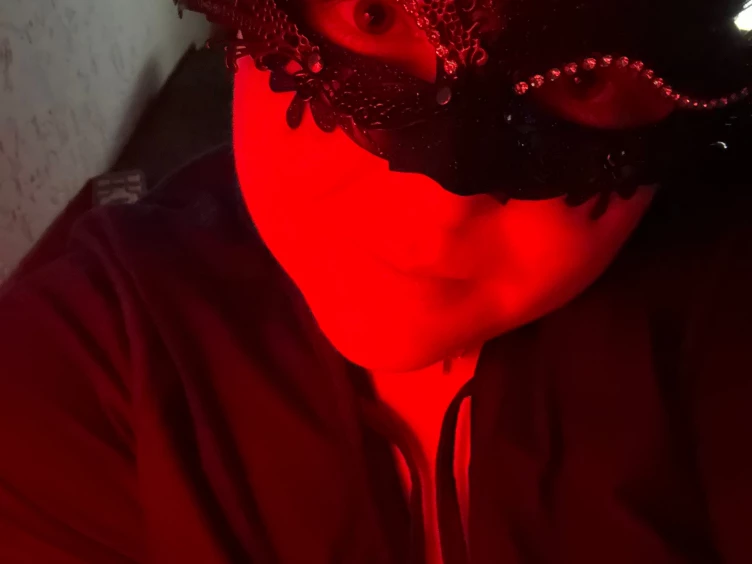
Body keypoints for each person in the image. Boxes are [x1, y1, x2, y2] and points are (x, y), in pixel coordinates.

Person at [1, 0, 751, 562]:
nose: (440, 210)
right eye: (375, 14)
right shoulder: (83, 368)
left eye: (585, 80)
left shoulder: (720, 302)